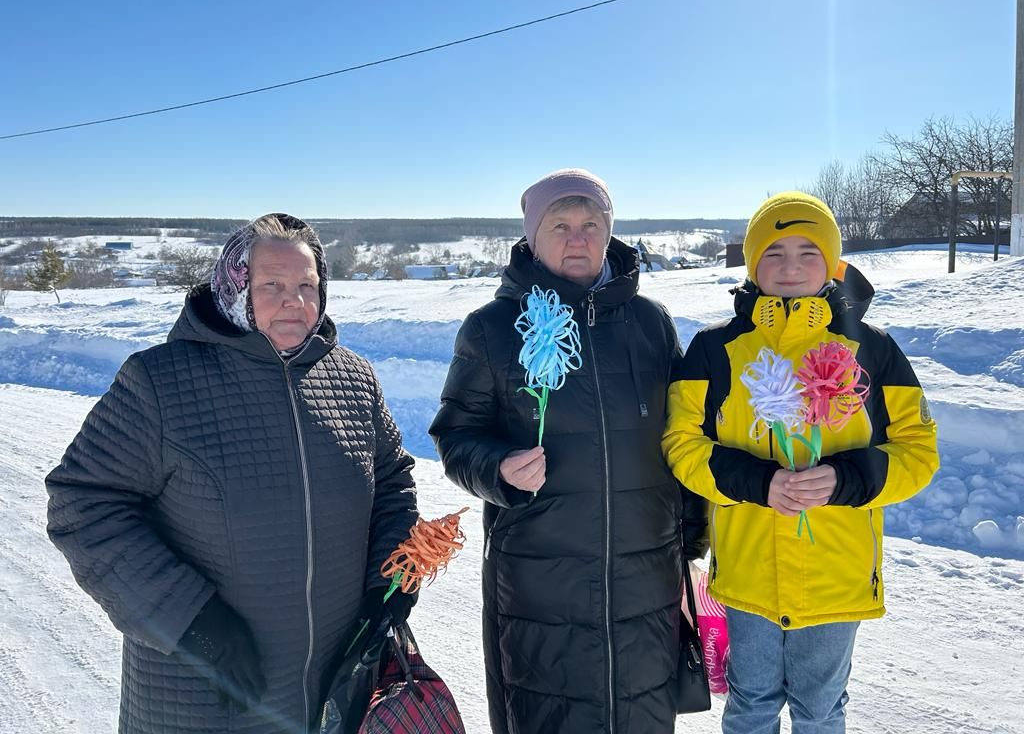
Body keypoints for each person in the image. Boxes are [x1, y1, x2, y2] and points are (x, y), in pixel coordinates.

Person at [45, 213, 418, 734]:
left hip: (334, 687)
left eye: (307, 285)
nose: (295, 301)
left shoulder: (352, 378)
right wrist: (192, 623)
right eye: (273, 285)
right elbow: (82, 505)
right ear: (234, 286)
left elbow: (393, 480)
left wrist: (394, 569)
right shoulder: (159, 381)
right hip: (205, 693)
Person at [429, 168, 708, 733]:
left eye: (590, 224)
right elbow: (455, 435)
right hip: (540, 579)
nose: (577, 238)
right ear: (533, 236)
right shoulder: (492, 328)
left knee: (642, 714)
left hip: (646, 574)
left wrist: (691, 541)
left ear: (609, 232)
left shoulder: (650, 323)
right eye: (560, 225)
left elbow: (684, 435)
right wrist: (499, 469)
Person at [662, 191, 939, 734]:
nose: (790, 267)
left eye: (807, 252)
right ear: (752, 262)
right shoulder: (715, 349)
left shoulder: (873, 350)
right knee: (752, 704)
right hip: (747, 572)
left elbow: (918, 451)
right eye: (774, 252)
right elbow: (680, 443)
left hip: (836, 575)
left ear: (832, 263)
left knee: (820, 709)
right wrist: (759, 483)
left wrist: (845, 479)